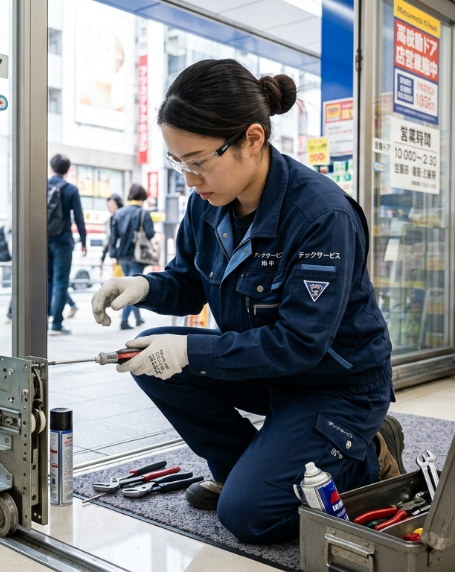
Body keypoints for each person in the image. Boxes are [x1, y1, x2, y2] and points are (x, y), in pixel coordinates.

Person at [90, 59, 402, 544]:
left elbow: (299, 344)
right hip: (266, 369)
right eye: (179, 164)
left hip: (333, 384)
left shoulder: (321, 216)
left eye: (198, 161)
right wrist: (146, 287)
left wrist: (192, 352)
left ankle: (367, 452)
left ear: (252, 139)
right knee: (146, 353)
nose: (191, 179)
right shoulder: (208, 201)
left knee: (250, 518)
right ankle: (239, 467)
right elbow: (190, 281)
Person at [47, 154, 87, 335]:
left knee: (45, 281)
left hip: (43, 239)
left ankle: (42, 320)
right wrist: (84, 242)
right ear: (67, 170)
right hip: (63, 241)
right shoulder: (70, 189)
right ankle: (56, 324)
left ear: (51, 168)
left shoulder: (43, 186)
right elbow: (78, 217)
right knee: (61, 282)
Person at [108, 184, 155, 330]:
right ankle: (124, 320)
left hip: (122, 256)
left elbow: (113, 237)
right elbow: (150, 233)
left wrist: (113, 254)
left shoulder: (119, 213)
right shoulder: (143, 213)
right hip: (137, 256)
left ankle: (138, 318)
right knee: (132, 288)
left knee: (129, 284)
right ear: (142, 198)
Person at [99, 194, 124, 273]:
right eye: (108, 205)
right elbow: (109, 239)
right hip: (116, 258)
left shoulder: (124, 218)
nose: (110, 207)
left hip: (126, 256)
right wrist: (103, 258)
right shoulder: (109, 220)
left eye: (111, 204)